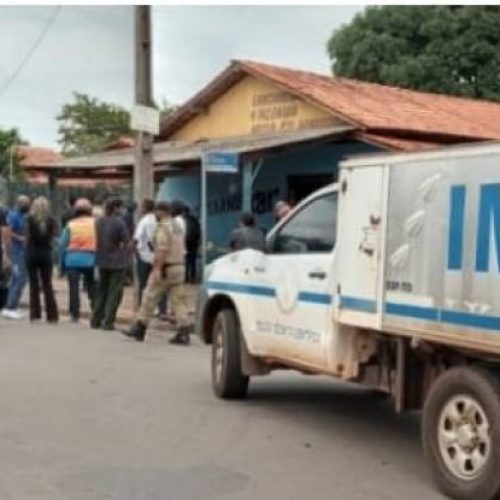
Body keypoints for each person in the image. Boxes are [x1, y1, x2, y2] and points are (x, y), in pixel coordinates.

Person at [121, 201, 191, 345]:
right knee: (179, 301)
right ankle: (183, 331)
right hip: (179, 266)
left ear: (162, 212)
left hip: (166, 267)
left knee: (149, 296)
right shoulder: (177, 226)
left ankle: (139, 327)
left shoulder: (163, 227)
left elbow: (162, 249)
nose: (155, 215)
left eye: (157, 212)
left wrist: (157, 268)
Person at [91, 198, 130, 331]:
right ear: (115, 209)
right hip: (117, 262)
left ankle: (95, 319)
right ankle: (108, 322)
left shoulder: (98, 222)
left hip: (101, 260)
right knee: (114, 293)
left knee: (101, 290)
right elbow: (126, 241)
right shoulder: (120, 222)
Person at [60, 198, 97, 323]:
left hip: (72, 260)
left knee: (73, 288)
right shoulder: (96, 223)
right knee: (92, 287)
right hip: (91, 259)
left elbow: (62, 244)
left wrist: (62, 262)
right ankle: (96, 311)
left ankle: (74, 314)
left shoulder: (71, 224)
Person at [24, 196, 58, 323]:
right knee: (47, 284)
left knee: (33, 284)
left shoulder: (28, 219)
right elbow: (54, 236)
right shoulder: (52, 220)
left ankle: (35, 314)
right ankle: (52, 315)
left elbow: (26, 236)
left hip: (32, 252)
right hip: (45, 253)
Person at [2, 195, 30, 320]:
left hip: (21, 250)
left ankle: (13, 304)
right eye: (25, 203)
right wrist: (19, 238)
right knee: (18, 278)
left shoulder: (22, 216)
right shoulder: (13, 216)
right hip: (16, 250)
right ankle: (10, 307)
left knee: (22, 279)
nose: (27, 205)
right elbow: (8, 231)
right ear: (19, 203)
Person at [134, 198, 156, 304]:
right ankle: (160, 309)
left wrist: (136, 253)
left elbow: (137, 239)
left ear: (145, 208)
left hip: (144, 256)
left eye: (142, 206)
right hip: (156, 257)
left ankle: (141, 305)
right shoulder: (157, 220)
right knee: (157, 284)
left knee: (143, 283)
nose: (140, 209)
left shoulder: (144, 221)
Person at [183, 206, 200, 283]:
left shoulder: (182, 220)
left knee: (185, 261)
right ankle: (192, 278)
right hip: (194, 243)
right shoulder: (194, 219)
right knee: (193, 262)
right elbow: (199, 232)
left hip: (185, 243)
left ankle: (185, 278)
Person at [0, 204, 11, 310]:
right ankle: (3, 304)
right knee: (4, 275)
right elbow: (5, 231)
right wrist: (6, 251)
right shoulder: (2, 211)